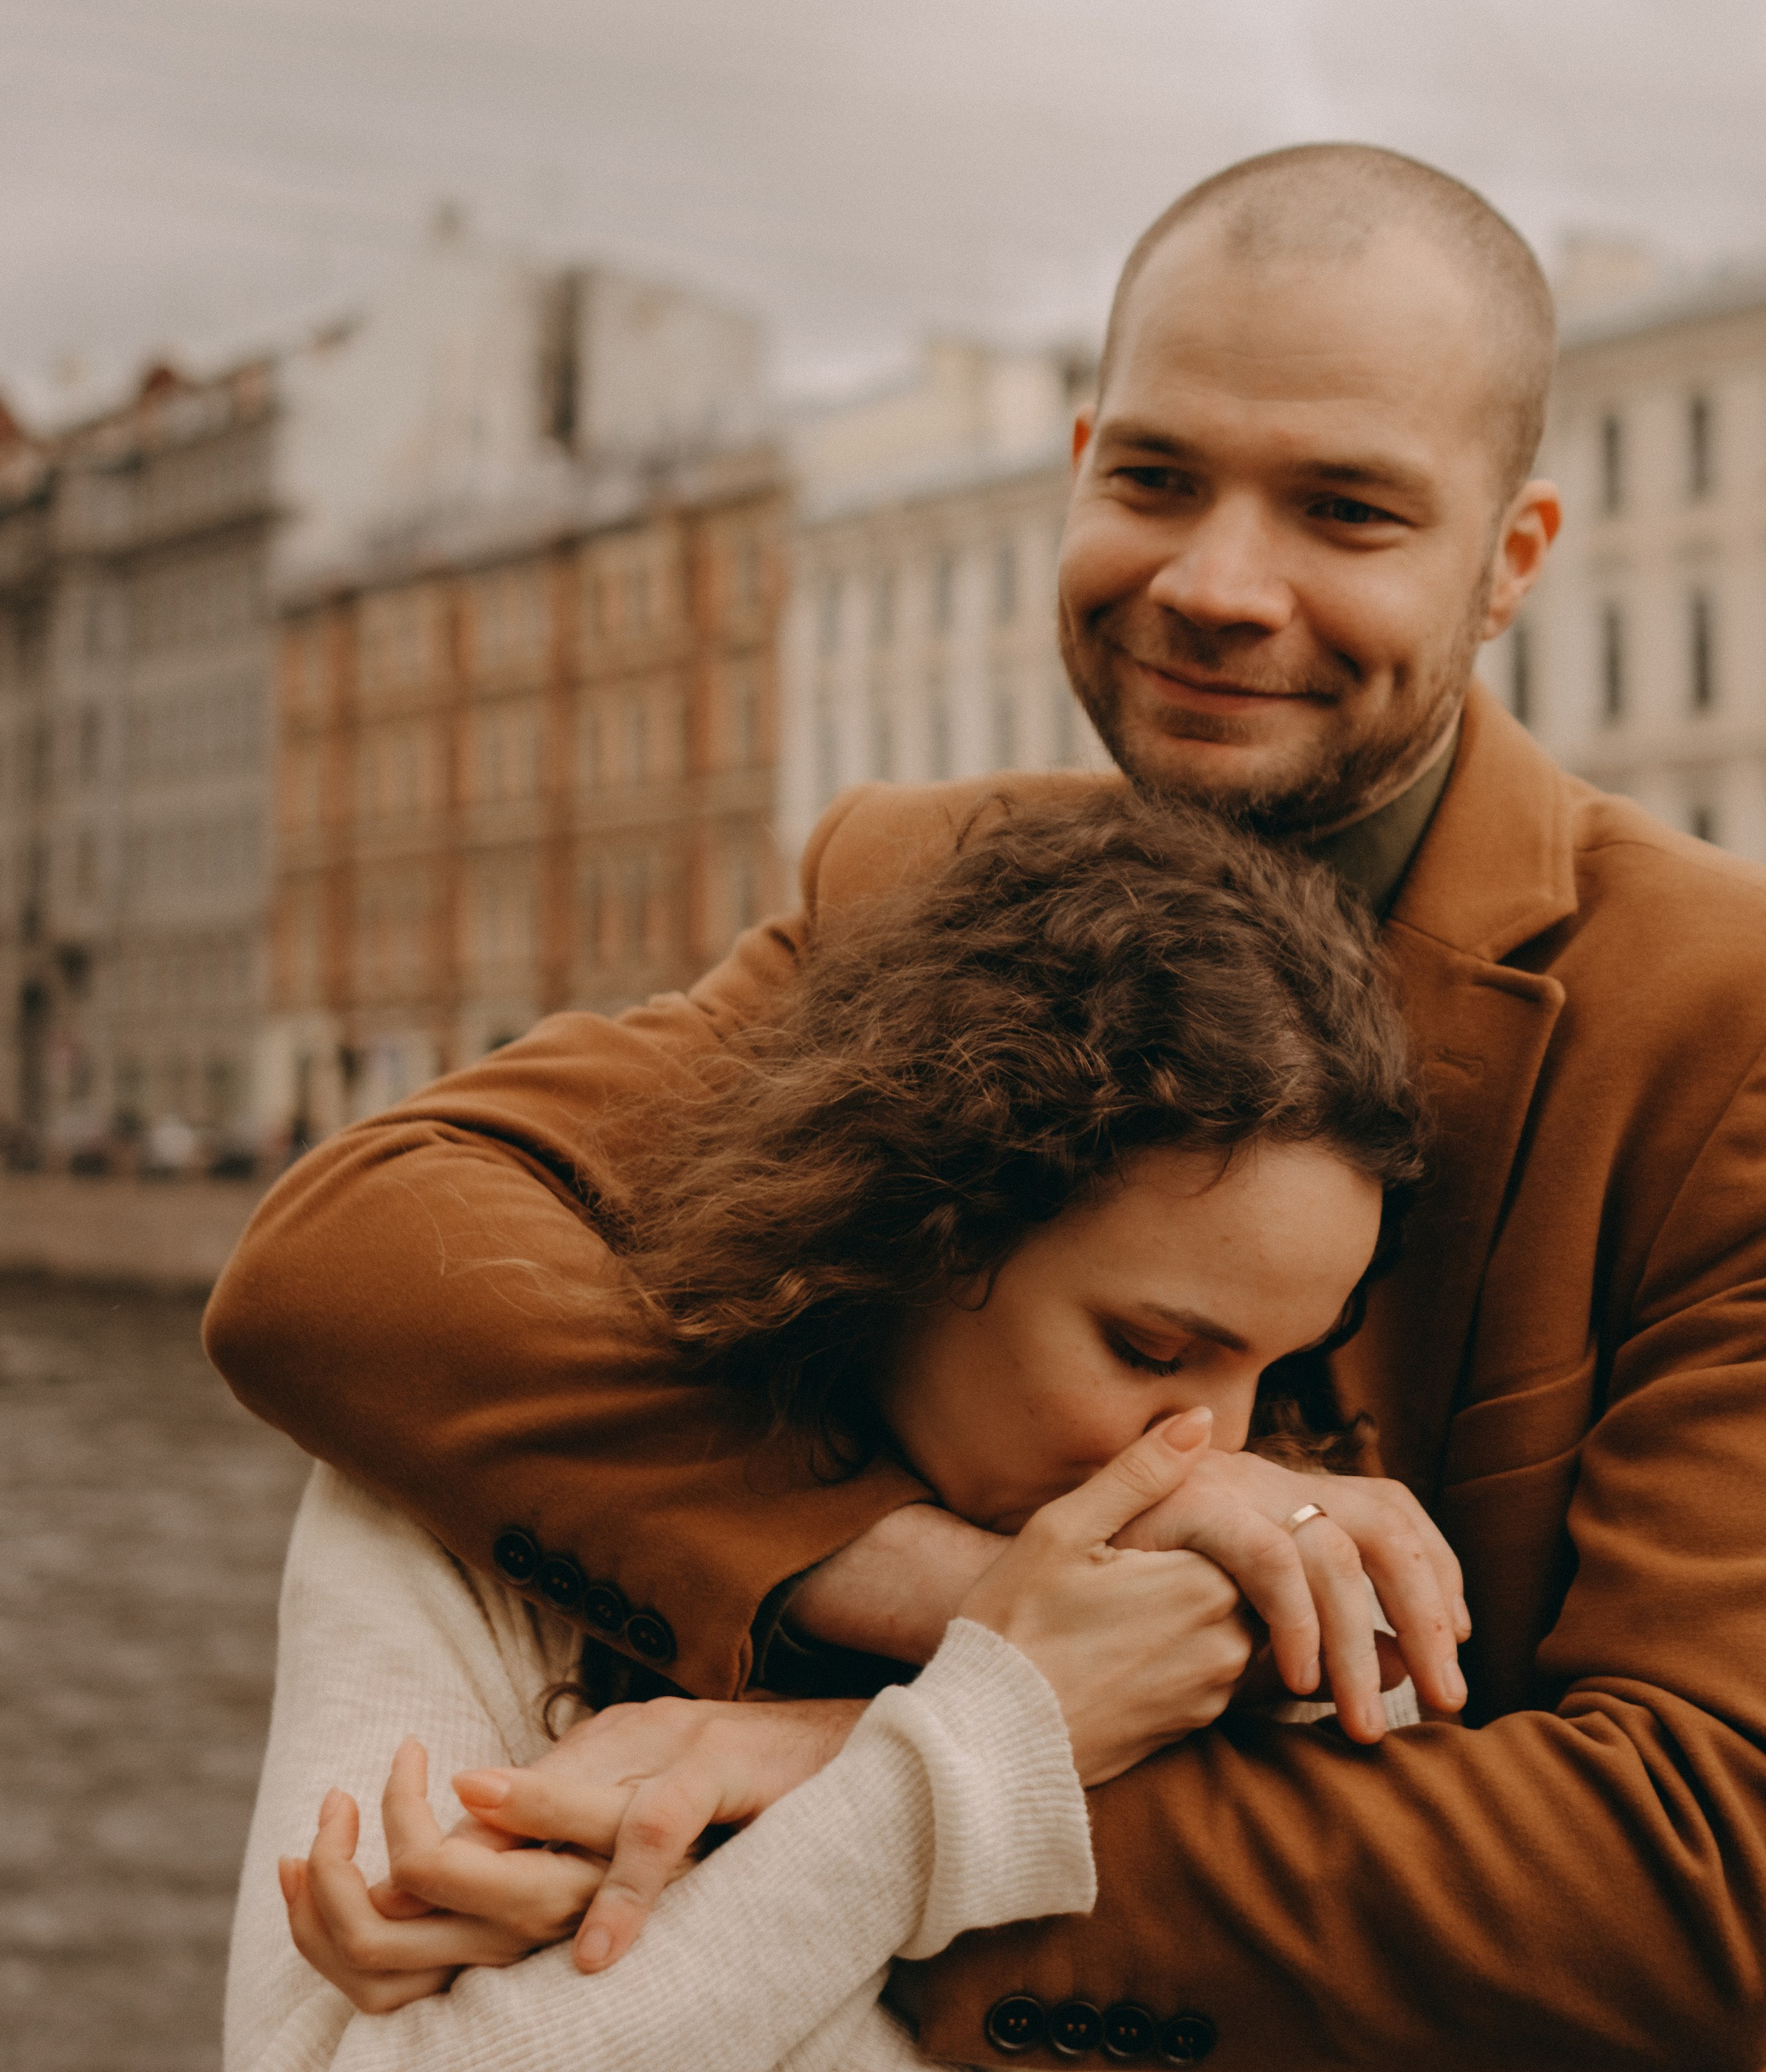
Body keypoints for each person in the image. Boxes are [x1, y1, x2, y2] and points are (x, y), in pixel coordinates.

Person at [209, 141, 1766, 2069]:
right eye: (1154, 480)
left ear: (1511, 559)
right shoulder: (926, 882)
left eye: (1345, 511)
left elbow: (1710, 1875)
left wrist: (838, 1787)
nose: (1214, 585)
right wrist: (962, 1601)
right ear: (1078, 463)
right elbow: (348, 1253)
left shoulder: (1721, 1015)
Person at [227, 804, 1433, 2069]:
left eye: (1274, 1368)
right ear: (927, 1223)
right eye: (1149, 1349)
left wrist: (823, 1765)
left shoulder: (1286, 1592)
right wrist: (983, 1740)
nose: (1213, 1444)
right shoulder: (468, 1483)